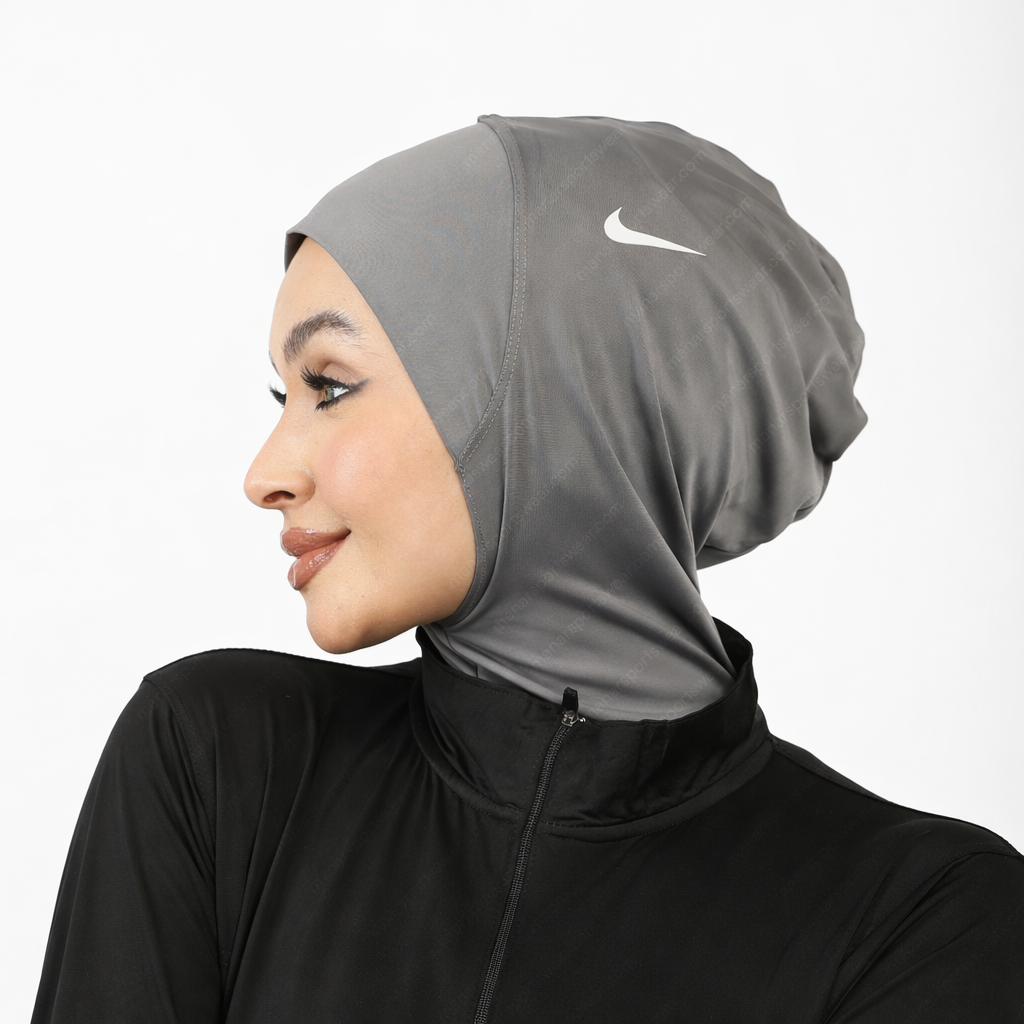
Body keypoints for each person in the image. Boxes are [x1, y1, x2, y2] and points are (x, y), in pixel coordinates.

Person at [31, 115, 1024, 1022]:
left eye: (328, 386)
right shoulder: (219, 763)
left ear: (564, 395)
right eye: (280, 397)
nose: (265, 475)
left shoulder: (922, 913)